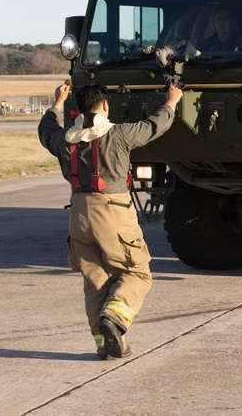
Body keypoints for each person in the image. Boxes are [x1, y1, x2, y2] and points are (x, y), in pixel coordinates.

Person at [38, 80, 183, 360]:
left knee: (95, 281)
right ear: (105, 105)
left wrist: (57, 101)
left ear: (77, 109)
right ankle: (115, 318)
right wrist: (172, 101)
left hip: (78, 214)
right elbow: (155, 125)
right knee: (138, 272)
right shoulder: (120, 134)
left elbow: (45, 129)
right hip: (113, 212)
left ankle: (103, 344)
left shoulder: (64, 139)